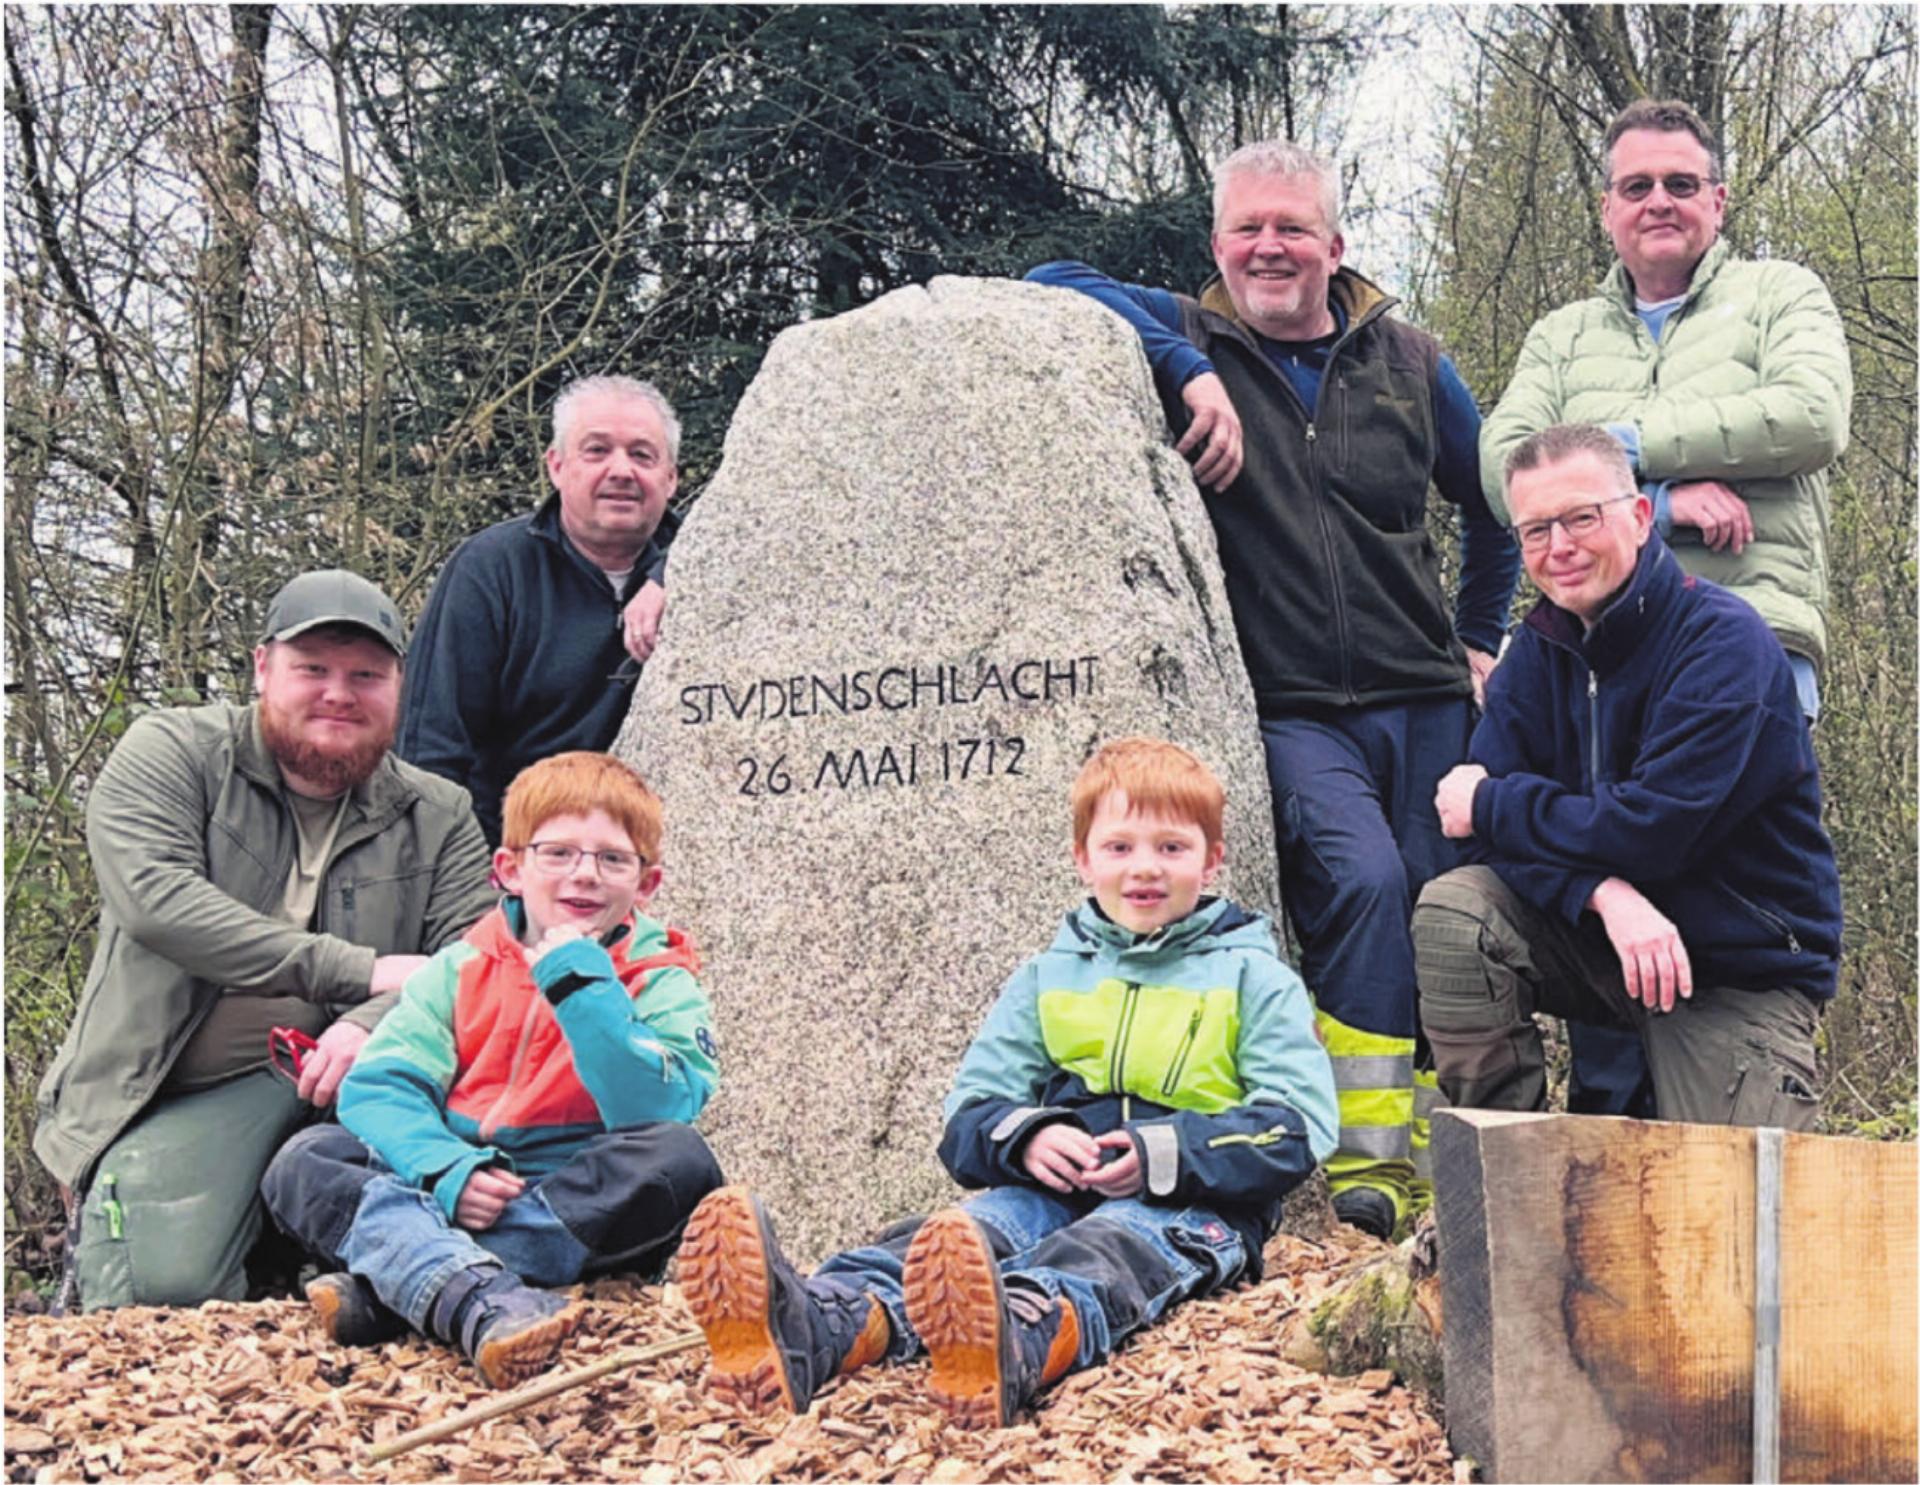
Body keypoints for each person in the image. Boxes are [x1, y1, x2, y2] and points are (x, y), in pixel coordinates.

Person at [1027, 140, 1518, 1238]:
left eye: (1292, 228)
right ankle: (1369, 1158)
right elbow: (1051, 277)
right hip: (1293, 707)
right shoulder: (1198, 335)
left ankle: (1459, 1151)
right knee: (1364, 881)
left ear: (1335, 246)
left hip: (1429, 694)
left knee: (1449, 904)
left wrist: (1484, 638)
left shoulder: (1410, 361)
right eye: (1247, 229)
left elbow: (1493, 506)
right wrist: (1185, 366)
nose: (1268, 247)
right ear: (1217, 245)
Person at [677, 738, 1337, 1428]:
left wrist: (1160, 1152)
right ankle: (823, 1321)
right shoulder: (1049, 974)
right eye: (1119, 848)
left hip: (1195, 1204)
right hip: (1051, 1186)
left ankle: (1016, 1339)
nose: (1145, 867)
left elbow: (1294, 1126)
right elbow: (970, 1109)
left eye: (1172, 848)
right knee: (969, 1229)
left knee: (1110, 1248)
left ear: (1212, 858)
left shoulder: (1252, 975)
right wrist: (1029, 1137)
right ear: (1083, 860)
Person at [1477, 97, 1851, 1117]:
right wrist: (1651, 500)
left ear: (1718, 200)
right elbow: (1498, 463)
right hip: (1591, 657)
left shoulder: (1780, 296)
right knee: (1602, 888)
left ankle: (1735, 1095)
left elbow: (1811, 416)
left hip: (1750, 642)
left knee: (1713, 892)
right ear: (1605, 208)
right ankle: (1597, 1148)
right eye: (1636, 185)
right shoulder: (1562, 334)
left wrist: (1620, 452)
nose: (1659, 203)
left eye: (1681, 184)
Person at [34, 570, 496, 1313]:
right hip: (179, 1086)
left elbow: (475, 958)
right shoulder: (172, 751)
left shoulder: (439, 810)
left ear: (399, 687)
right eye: (312, 668)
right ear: (261, 668)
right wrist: (360, 971)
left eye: (366, 675)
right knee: (162, 1296)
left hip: (361, 1080)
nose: (338, 693)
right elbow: (157, 903)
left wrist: (364, 1022)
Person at [1412, 425, 1839, 1131]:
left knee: (1749, 1224)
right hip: (1598, 945)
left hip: (1732, 968)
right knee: (1459, 910)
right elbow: (1473, 844)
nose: (1561, 547)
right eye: (1536, 529)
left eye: (1582, 517)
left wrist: (1493, 800)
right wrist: (1599, 894)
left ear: (1640, 517)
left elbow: (1653, 830)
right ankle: (1501, 1172)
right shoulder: (1536, 655)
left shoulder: (1725, 645)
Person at [261, 751, 724, 1388]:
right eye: (557, 853)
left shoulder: (660, 978)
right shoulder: (461, 966)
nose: (584, 875)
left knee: (680, 1161)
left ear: (646, 885)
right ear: (510, 869)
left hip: (567, 1203)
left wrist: (584, 990)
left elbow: (657, 1108)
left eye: (612, 859)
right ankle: (474, 1290)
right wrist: (447, 1170)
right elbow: (382, 1086)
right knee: (306, 1159)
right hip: (445, 1185)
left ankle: (420, 1285)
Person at [399, 375, 682, 846]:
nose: (621, 471)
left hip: (672, 863)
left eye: (642, 455)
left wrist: (673, 574)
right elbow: (430, 753)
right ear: (556, 465)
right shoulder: (490, 571)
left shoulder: (710, 565)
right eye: (596, 451)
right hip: (516, 869)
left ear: (671, 477)